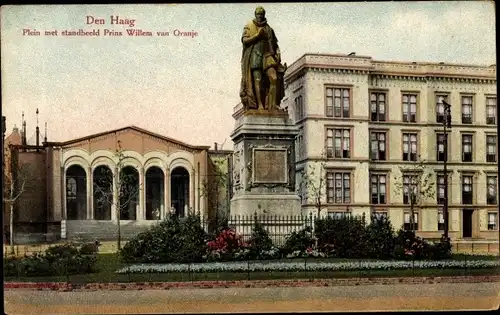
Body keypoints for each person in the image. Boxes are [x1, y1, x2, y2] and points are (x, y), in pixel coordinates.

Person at [240, 6, 285, 111]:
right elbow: (245, 41)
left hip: (268, 56)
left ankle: (272, 104)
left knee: (273, 78)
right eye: (258, 14)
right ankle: (259, 104)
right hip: (256, 55)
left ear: (264, 15)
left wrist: (278, 53)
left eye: (261, 14)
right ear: (255, 14)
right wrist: (257, 36)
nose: (260, 16)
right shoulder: (249, 26)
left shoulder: (269, 28)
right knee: (257, 80)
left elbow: (275, 44)